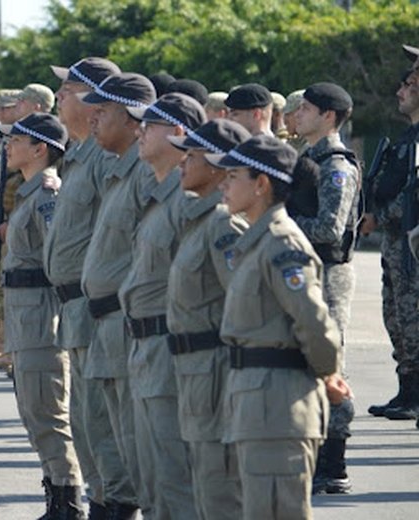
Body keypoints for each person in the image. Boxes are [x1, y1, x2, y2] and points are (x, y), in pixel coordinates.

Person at [208, 135, 351, 520]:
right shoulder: (255, 243)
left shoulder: (282, 244)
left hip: (278, 407)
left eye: (233, 175)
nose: (223, 182)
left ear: (261, 184)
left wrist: (328, 374)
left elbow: (316, 325)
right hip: (255, 404)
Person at [43, 56, 125, 519]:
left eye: (68, 89)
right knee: (86, 422)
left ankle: (112, 505)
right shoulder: (77, 153)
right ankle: (100, 499)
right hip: (74, 307)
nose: (59, 97)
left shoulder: (101, 155)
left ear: (95, 98)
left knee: (101, 423)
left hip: (97, 308)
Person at [119, 93, 206, 519]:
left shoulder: (187, 204)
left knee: (175, 481)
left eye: (149, 126)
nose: (139, 132)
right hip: (143, 349)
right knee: (149, 479)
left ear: (178, 133)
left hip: (170, 352)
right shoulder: (159, 197)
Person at [79, 71, 157, 519]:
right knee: (110, 436)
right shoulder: (116, 172)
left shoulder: (144, 175)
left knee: (138, 444)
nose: (94, 118)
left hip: (128, 324)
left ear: (133, 120)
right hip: (104, 322)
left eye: (104, 110)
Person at [165, 119, 251, 519]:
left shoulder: (222, 225)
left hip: (214, 367)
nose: (182, 163)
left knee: (220, 487)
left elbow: (246, 302)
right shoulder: (196, 221)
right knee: (201, 480)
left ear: (218, 168)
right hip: (191, 366)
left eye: (192, 156)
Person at [0, 112, 84, 518]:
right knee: (33, 410)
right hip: (23, 314)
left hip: (41, 316)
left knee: (48, 411)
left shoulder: (48, 194)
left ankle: (68, 499)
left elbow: (60, 258)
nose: (8, 146)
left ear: (40, 149)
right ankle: (55, 492)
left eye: (17, 139)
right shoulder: (28, 192)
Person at [292, 82, 360, 494]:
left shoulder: (336, 166)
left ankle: (335, 463)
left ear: (329, 117)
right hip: (309, 272)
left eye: (308, 109)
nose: (298, 113)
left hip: (329, 275)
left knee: (329, 366)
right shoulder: (309, 157)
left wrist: (279, 224)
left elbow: (330, 230)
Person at [363, 66, 419, 422]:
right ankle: (406, 390)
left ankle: (413, 395)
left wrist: (377, 219)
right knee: (396, 318)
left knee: (413, 321)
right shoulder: (406, 137)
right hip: (395, 248)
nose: (400, 90)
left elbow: (414, 197)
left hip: (412, 248)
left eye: (410, 85)